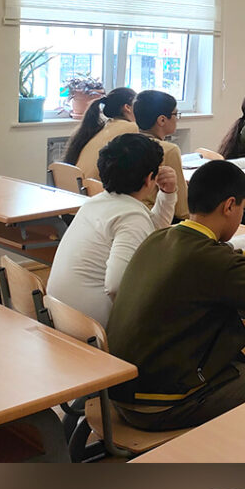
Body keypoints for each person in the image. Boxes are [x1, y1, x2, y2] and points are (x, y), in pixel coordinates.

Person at [107, 160, 245, 430]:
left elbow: (204, 267)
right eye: (242, 208)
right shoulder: (213, 259)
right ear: (229, 206)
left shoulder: (161, 237)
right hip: (162, 403)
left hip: (123, 390)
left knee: (238, 365)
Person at [47, 133, 177, 326]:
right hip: (92, 324)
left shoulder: (95, 203)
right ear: (150, 178)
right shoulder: (131, 216)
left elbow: (153, 231)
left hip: (60, 314)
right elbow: (116, 285)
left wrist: (167, 194)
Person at [133, 89, 189, 219]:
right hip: (155, 219)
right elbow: (182, 210)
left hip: (133, 214)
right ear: (162, 120)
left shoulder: (126, 143)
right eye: (176, 114)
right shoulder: (169, 150)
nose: (177, 119)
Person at [63, 87, 138, 179]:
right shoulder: (132, 128)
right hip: (94, 187)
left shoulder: (103, 127)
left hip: (77, 185)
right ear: (127, 107)